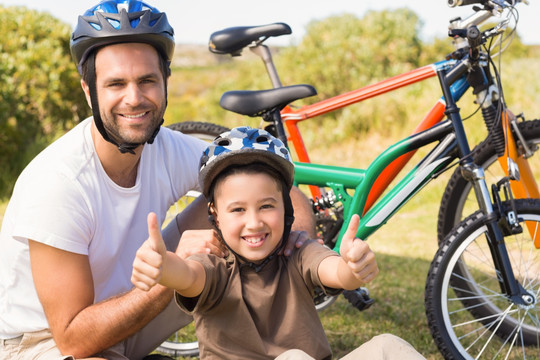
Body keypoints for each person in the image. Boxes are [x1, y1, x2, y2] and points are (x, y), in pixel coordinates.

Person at [0, 1, 315, 359]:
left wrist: (296, 247)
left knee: (245, 197)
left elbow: (279, 184)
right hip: (47, 342)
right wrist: (175, 270)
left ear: (165, 82)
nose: (134, 99)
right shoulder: (58, 183)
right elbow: (74, 339)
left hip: (128, 307)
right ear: (89, 90)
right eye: (116, 83)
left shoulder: (165, 147)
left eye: (147, 80)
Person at [132, 126, 426, 360]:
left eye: (267, 206)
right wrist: (164, 265)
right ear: (215, 216)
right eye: (237, 210)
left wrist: (352, 267)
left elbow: (332, 270)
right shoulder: (214, 263)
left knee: (388, 347)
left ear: (286, 208)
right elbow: (188, 276)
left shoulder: (297, 251)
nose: (254, 222)